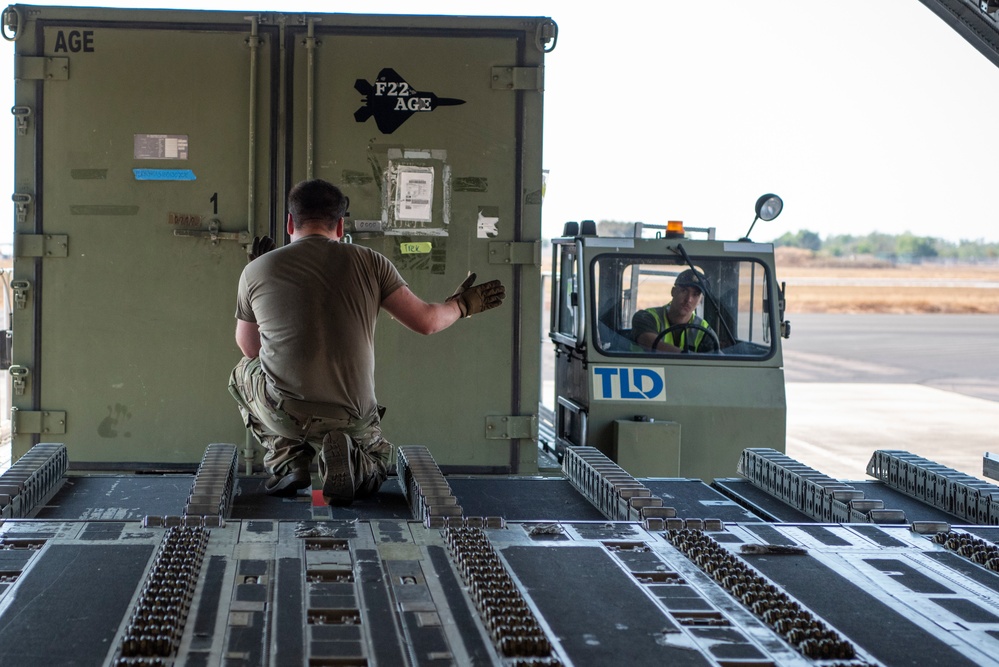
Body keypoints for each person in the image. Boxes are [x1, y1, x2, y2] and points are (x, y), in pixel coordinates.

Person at [228, 179, 505, 506]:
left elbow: (250, 348)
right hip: (352, 414)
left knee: (242, 371)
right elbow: (427, 322)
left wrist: (262, 287)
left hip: (287, 411)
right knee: (376, 464)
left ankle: (287, 460)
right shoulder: (371, 262)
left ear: (290, 222)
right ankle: (358, 464)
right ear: (340, 224)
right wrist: (461, 305)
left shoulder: (257, 269)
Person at [631, 268, 718, 353]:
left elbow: (715, 362)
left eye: (695, 295)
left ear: (701, 301)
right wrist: (688, 357)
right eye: (684, 291)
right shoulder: (646, 317)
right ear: (673, 291)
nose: (688, 299)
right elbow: (650, 343)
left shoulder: (704, 331)